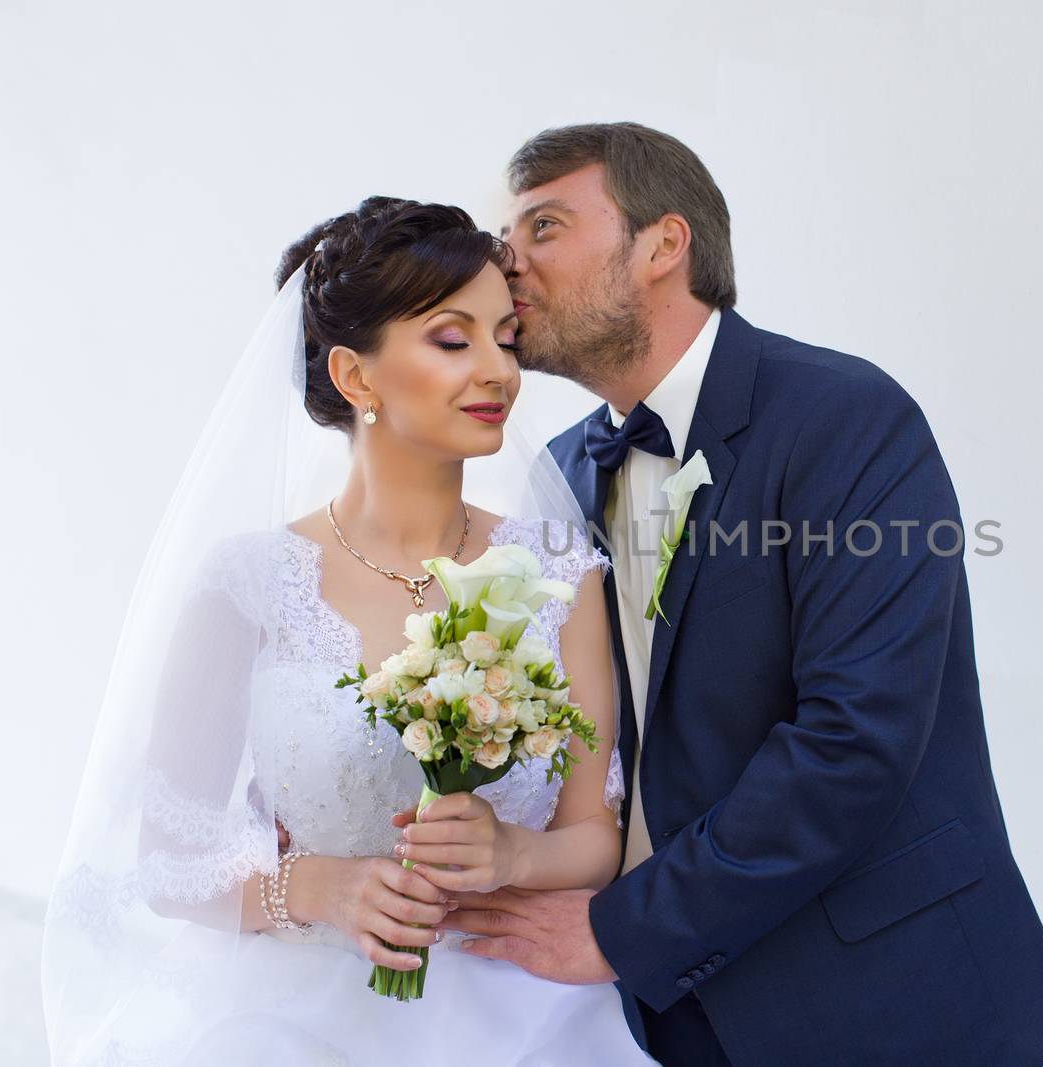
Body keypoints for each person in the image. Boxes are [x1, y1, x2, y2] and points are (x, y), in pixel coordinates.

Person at [435, 123, 1043, 1066]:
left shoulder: (848, 417)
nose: (508, 264)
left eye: (543, 226)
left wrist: (627, 930)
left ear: (664, 245)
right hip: (666, 1018)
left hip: (884, 1001)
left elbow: (853, 743)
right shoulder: (564, 469)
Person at [41, 196, 653, 1066]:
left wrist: (512, 851)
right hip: (288, 1012)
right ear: (356, 376)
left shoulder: (558, 570)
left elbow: (596, 835)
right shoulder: (247, 583)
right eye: (453, 340)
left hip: (516, 1010)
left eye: (506, 338)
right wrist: (318, 886)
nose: (500, 371)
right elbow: (168, 857)